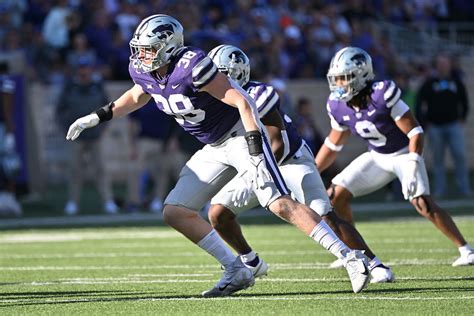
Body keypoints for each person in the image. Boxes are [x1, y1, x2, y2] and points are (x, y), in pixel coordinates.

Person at [65, 15, 370, 297]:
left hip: (238, 135)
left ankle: (351, 257)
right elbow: (137, 95)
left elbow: (242, 100)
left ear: (168, 46)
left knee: (278, 202)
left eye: (149, 49)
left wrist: (253, 144)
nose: (141, 55)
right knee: (175, 211)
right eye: (140, 49)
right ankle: (237, 268)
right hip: (212, 146)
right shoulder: (142, 70)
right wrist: (98, 116)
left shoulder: (193, 65)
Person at [207, 44, 393, 283]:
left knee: (323, 214)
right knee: (218, 213)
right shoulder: (212, 103)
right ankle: (251, 262)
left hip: (289, 160)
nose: (212, 79)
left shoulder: (257, 96)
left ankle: (375, 264)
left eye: (218, 74)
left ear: (235, 74)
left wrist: (255, 171)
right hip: (257, 165)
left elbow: (278, 144)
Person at [315, 46, 474, 267]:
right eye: (337, 79)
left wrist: (413, 161)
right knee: (335, 196)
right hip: (377, 156)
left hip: (403, 154)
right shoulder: (337, 105)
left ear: (361, 76)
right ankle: (354, 250)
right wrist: (312, 171)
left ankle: (466, 249)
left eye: (345, 78)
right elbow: (332, 145)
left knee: (422, 203)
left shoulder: (382, 94)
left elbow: (415, 132)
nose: (339, 84)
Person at [56, 57, 119, 215]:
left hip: (95, 135)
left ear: (90, 70)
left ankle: (108, 201)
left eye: (86, 68)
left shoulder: (97, 86)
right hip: (76, 137)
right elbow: (59, 111)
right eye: (81, 68)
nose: (84, 72)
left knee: (101, 170)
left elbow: (108, 108)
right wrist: (65, 128)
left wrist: (104, 129)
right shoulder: (70, 87)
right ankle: (73, 202)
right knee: (75, 170)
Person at [415, 54, 471, 197]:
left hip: (454, 125)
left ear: (449, 65)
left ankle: (464, 188)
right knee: (438, 159)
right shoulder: (429, 83)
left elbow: (464, 101)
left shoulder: (456, 82)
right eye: (440, 64)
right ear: (436, 66)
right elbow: (419, 102)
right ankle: (440, 189)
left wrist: (462, 118)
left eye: (445, 63)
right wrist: (424, 123)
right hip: (435, 127)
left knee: (459, 156)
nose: (443, 66)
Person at [0, 61, 22, 217]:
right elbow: (7, 107)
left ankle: (9, 200)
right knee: (9, 164)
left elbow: (7, 107)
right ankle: (9, 200)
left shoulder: (5, 82)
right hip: (2, 127)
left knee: (8, 164)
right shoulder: (5, 82)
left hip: (2, 127)